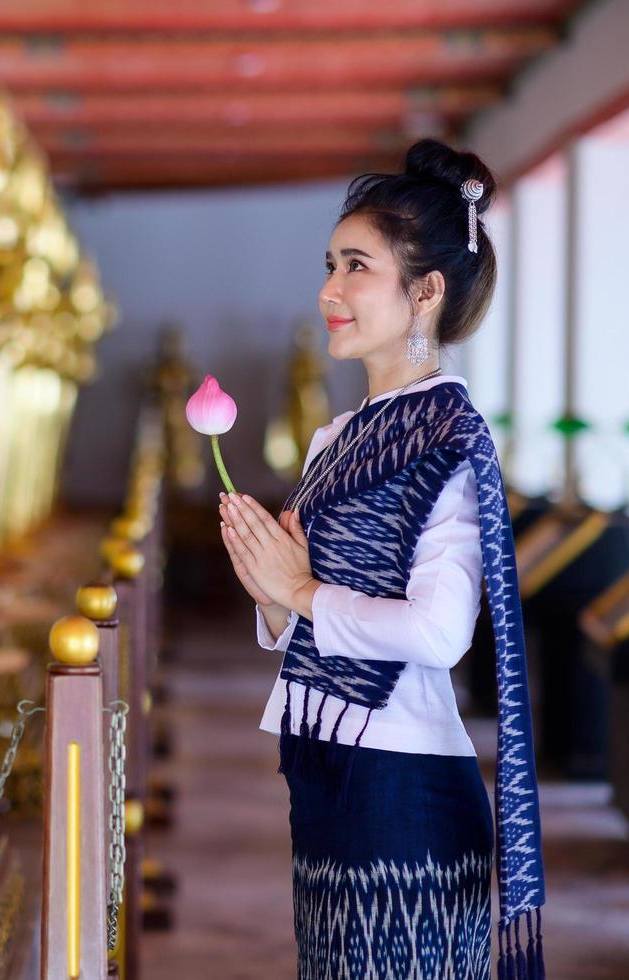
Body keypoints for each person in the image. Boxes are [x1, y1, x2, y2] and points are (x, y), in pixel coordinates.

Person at [218, 139, 547, 979]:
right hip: (328, 767)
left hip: (403, 790)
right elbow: (306, 614)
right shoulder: (339, 435)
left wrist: (297, 588)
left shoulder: (449, 435)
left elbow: (438, 634)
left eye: (355, 267)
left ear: (425, 291)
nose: (328, 291)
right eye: (329, 264)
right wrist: (272, 595)